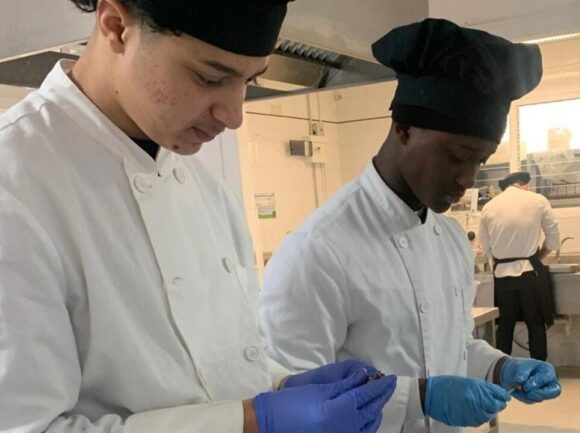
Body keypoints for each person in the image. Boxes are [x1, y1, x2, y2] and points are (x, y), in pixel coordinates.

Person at [0, 1, 396, 433]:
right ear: (116, 27)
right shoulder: (16, 184)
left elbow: (214, 367)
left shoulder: (205, 189)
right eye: (210, 77)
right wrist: (252, 421)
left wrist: (282, 385)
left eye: (249, 80)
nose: (235, 114)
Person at [260, 19, 562, 433]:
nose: (468, 178)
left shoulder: (450, 239)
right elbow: (290, 396)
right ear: (403, 128)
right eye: (458, 156)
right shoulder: (319, 249)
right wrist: (419, 397)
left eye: (481, 161)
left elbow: (451, 350)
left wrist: (500, 366)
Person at [478, 172, 560, 360]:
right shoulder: (537, 200)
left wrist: (500, 259)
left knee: (505, 327)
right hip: (529, 273)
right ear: (524, 185)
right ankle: (538, 373)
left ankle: (501, 373)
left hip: (502, 276)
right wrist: (538, 256)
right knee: (536, 325)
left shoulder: (489, 207)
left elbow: (485, 246)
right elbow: (554, 239)